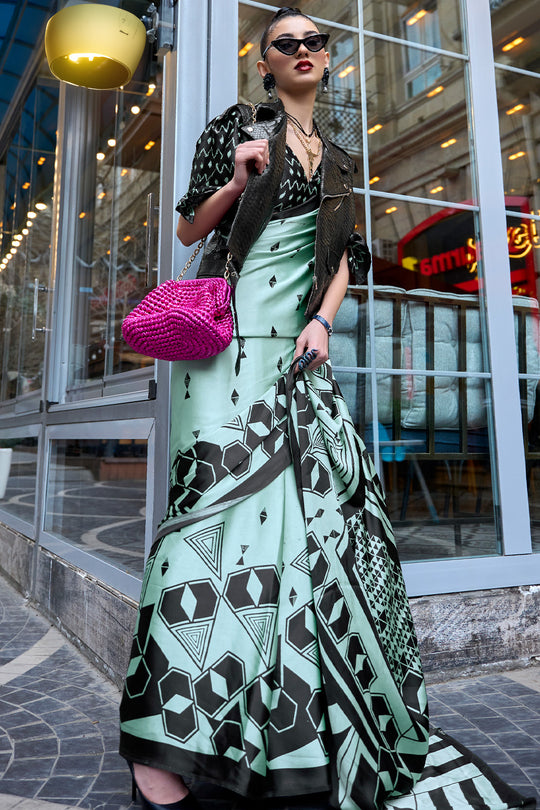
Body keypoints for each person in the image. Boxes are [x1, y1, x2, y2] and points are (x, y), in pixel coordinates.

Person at [118, 7, 431, 810]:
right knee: (206, 536)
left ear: (328, 60)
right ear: (266, 65)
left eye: (313, 42)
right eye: (284, 43)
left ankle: (282, 739)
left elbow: (348, 258)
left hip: (299, 359)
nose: (301, 51)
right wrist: (237, 179)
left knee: (312, 538)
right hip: (225, 358)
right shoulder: (236, 128)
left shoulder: (345, 155)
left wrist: (326, 321)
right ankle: (160, 744)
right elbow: (189, 228)